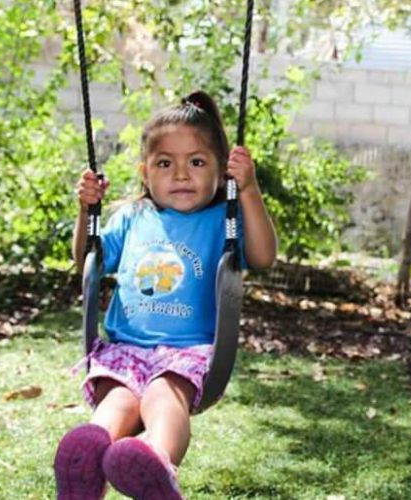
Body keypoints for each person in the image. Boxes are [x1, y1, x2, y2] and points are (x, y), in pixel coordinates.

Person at [54, 90, 277, 499]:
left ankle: (153, 460)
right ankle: (86, 457)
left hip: (184, 354)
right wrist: (87, 210)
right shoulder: (133, 218)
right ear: (145, 172)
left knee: (163, 395)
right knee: (116, 403)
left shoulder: (220, 222)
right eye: (164, 163)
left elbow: (263, 255)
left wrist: (248, 190)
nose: (180, 174)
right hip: (123, 349)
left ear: (220, 171)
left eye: (196, 162)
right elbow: (87, 258)